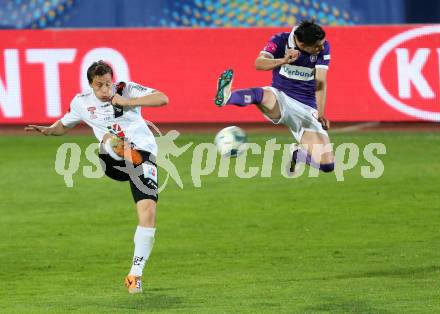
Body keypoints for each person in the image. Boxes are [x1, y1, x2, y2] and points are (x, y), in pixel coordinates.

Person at [25, 60, 169, 294]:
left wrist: (127, 102)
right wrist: (50, 130)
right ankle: (118, 147)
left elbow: (163, 98)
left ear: (114, 80)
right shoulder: (81, 102)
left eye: (108, 84)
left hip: (143, 155)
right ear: (90, 85)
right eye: (99, 85)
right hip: (112, 159)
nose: (105, 90)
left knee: (148, 212)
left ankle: (135, 276)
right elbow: (64, 124)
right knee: (110, 140)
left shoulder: (127, 89)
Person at [214, 20, 335, 174]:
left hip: (307, 109)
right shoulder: (280, 41)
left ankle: (298, 155)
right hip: (281, 98)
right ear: (304, 46)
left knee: (328, 165)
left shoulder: (323, 48)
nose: (322, 47)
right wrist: (283, 60)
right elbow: (259, 63)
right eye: (317, 46)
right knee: (263, 95)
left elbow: (320, 82)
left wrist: (322, 114)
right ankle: (227, 97)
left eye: (322, 44)